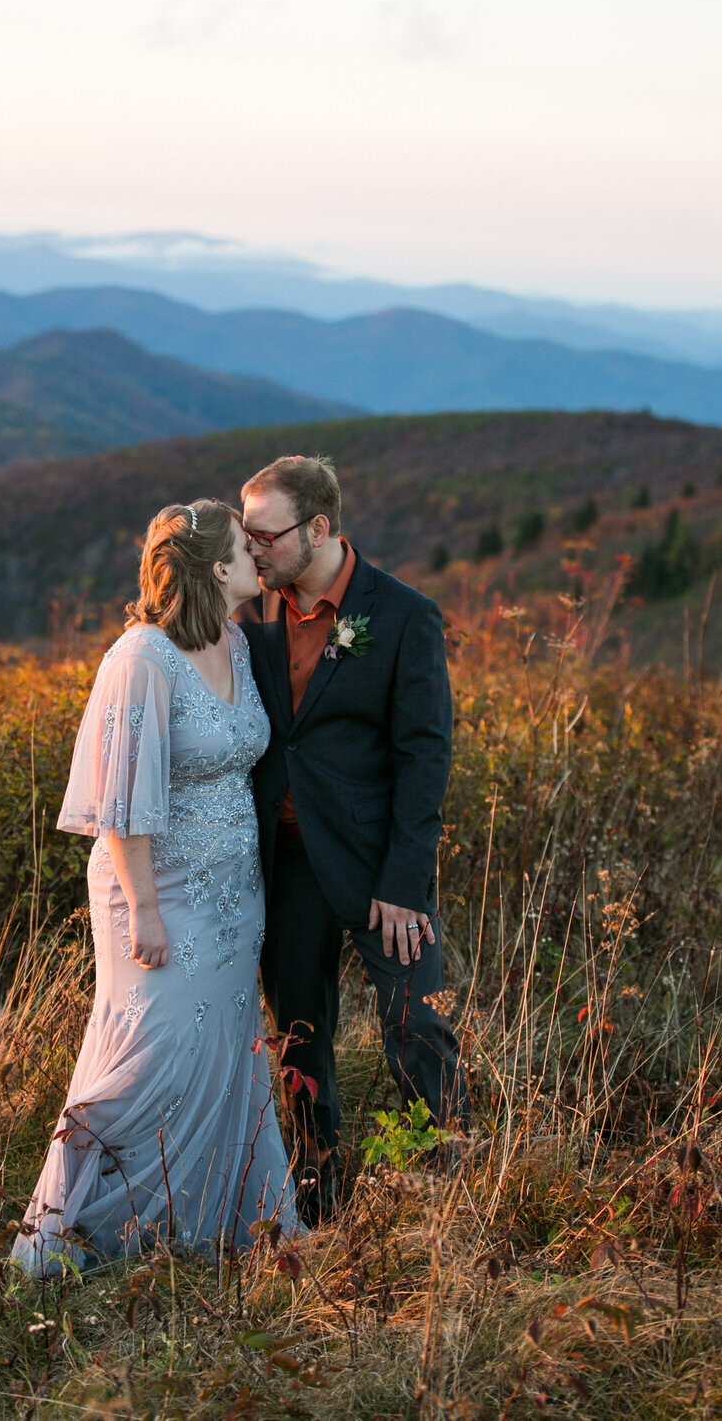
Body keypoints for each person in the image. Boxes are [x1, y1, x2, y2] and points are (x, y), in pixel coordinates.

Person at [11, 499, 298, 1277]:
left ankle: (208, 1222)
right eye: (246, 547)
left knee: (223, 1051)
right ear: (214, 569)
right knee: (152, 1052)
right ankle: (80, 1234)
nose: (258, 558)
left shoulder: (235, 643)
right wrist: (143, 910)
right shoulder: (141, 658)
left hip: (236, 894)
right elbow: (121, 803)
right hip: (158, 894)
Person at [236, 455, 471, 1224]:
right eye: (247, 535)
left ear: (320, 529)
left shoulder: (403, 614)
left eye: (266, 536)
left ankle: (447, 1197)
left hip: (381, 865)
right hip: (290, 860)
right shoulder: (251, 615)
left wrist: (404, 884)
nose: (253, 550)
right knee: (300, 1034)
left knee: (416, 1027)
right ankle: (317, 1198)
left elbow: (424, 755)